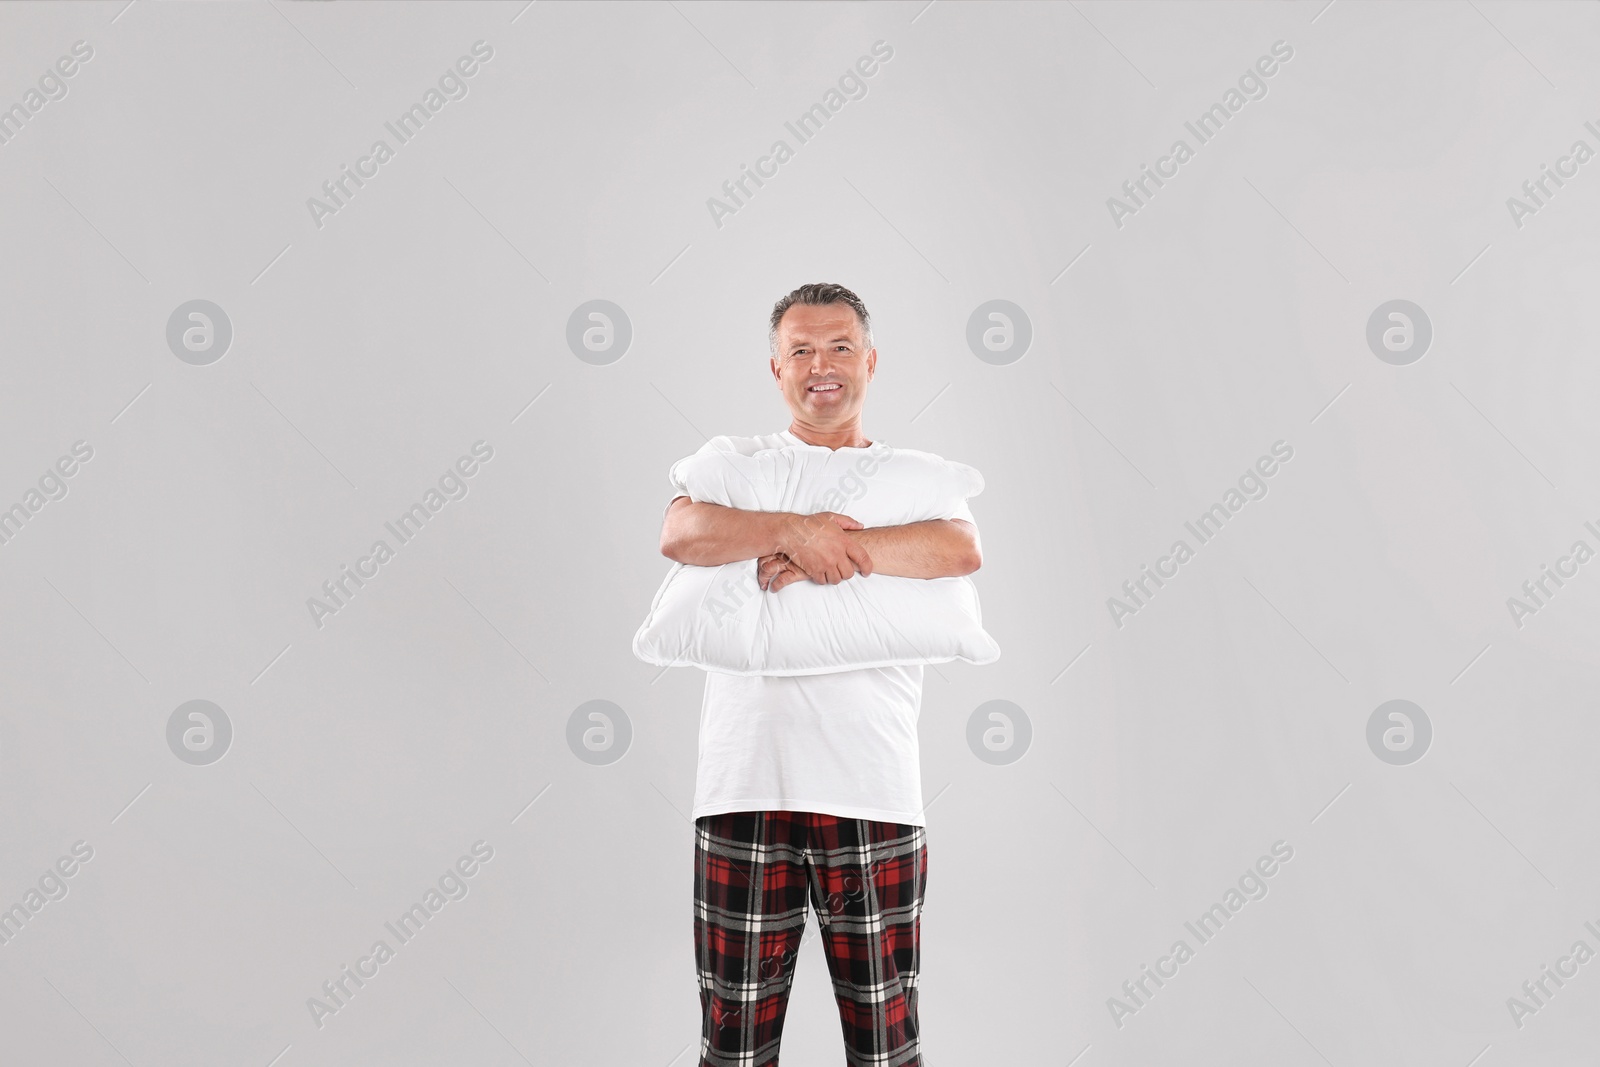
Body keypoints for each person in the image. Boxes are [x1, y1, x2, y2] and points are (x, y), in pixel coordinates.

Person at [658, 282, 982, 1067]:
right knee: (732, 1046)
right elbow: (682, 530)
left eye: (839, 347)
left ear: (870, 361)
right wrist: (796, 528)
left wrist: (832, 554)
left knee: (886, 1044)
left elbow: (958, 551)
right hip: (745, 791)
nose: (821, 366)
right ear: (775, 368)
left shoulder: (911, 479)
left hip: (869, 792)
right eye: (800, 349)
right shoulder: (743, 467)